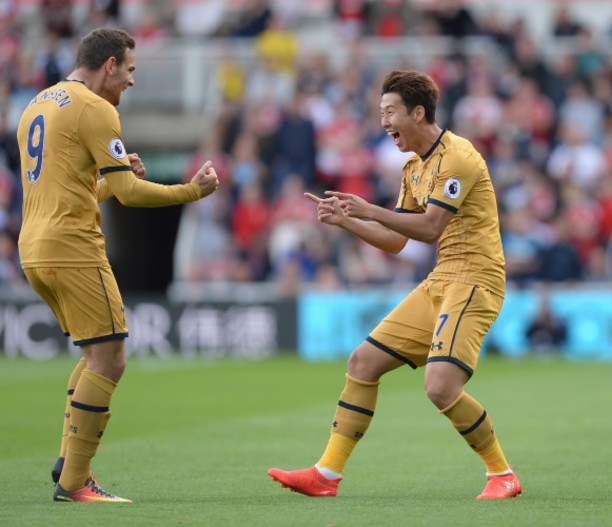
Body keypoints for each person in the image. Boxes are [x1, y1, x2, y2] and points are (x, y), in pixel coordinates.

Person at [268, 70, 521, 500]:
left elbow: (428, 227)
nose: (383, 122)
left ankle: (502, 474)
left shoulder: (457, 156)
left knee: (440, 387)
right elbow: (398, 241)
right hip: (442, 277)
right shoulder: (413, 167)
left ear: (417, 112)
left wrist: (368, 208)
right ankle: (325, 475)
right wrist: (348, 220)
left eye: (390, 112)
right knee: (362, 362)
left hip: (477, 278)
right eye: (380, 112)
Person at [16, 28, 219, 503]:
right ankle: (75, 483)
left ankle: (69, 462)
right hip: (74, 248)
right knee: (111, 358)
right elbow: (129, 195)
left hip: (35, 249)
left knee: (93, 356)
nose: (130, 81)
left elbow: (73, 189)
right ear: (109, 65)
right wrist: (192, 191)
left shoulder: (38, 103)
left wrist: (115, 175)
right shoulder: (96, 108)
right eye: (129, 69)